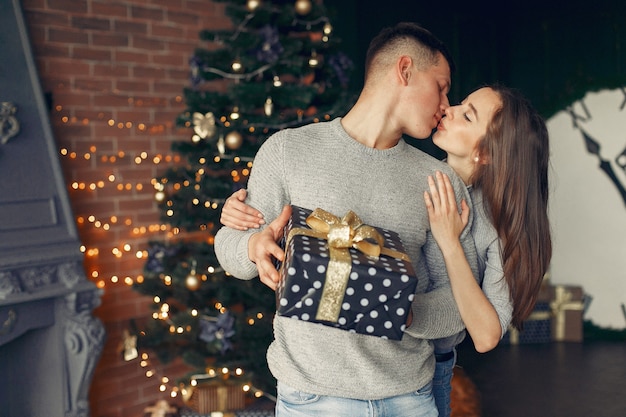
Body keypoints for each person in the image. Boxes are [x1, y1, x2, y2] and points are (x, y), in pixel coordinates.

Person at [220, 85, 553, 417]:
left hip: (429, 364)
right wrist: (243, 224)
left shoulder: (497, 225)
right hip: (382, 364)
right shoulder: (425, 177)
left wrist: (449, 242)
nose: (448, 109)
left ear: (486, 154)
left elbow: (484, 335)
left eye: (466, 115)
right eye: (460, 103)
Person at [214, 22, 477, 417]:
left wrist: (401, 310)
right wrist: (253, 246)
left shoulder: (439, 182)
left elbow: (460, 306)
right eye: (441, 86)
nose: (446, 103)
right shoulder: (288, 150)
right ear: (405, 70)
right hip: (311, 400)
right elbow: (228, 248)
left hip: (408, 399)